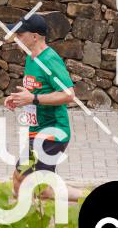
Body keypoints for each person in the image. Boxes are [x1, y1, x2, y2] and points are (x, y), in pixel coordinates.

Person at [4, 13, 80, 202]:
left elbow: (69, 94)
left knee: (21, 180)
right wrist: (19, 99)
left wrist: (33, 98)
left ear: (35, 36)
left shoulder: (49, 60)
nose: (16, 38)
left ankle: (26, 218)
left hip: (53, 132)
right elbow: (35, 90)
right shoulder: (31, 58)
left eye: (20, 34)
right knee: (42, 189)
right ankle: (85, 196)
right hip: (38, 130)